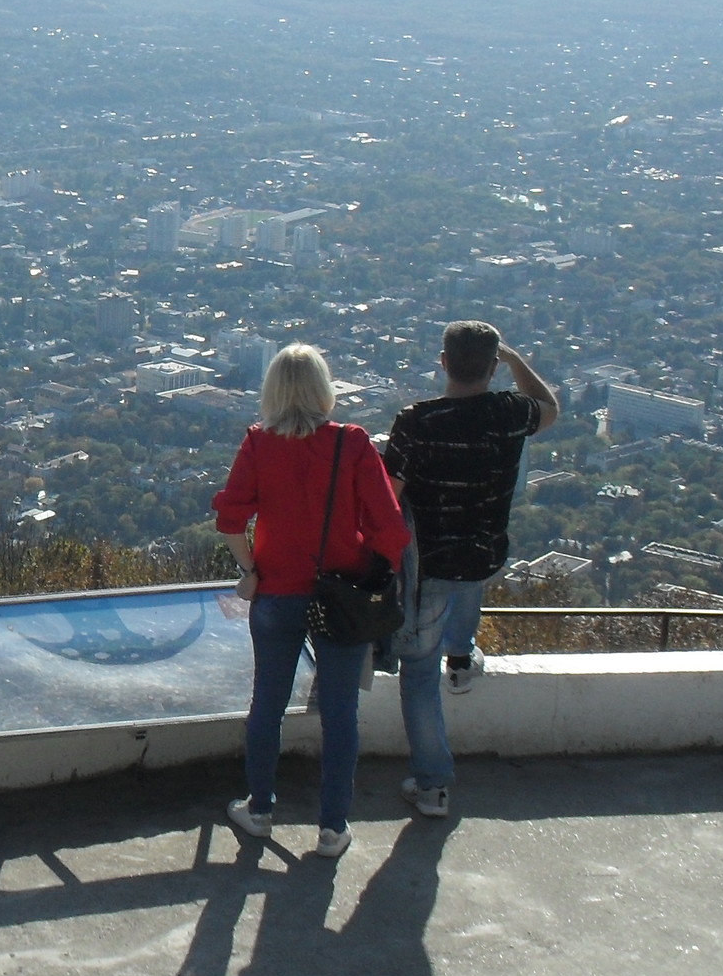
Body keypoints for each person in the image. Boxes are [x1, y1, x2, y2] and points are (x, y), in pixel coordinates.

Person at [212, 344, 410, 858]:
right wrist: (372, 573)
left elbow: (230, 520)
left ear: (272, 391)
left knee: (268, 704)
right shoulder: (352, 444)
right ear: (325, 389)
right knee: (340, 712)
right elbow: (391, 529)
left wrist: (250, 569)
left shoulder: (259, 444)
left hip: (276, 591)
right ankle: (332, 827)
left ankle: (258, 810)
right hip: (340, 596)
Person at [383, 321, 558, 819]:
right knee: (468, 590)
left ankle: (434, 784)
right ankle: (461, 658)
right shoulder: (510, 412)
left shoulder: (418, 421)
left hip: (430, 562)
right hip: (484, 554)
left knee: (418, 674)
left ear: (444, 363)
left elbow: (389, 496)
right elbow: (551, 410)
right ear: (493, 366)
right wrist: (519, 362)